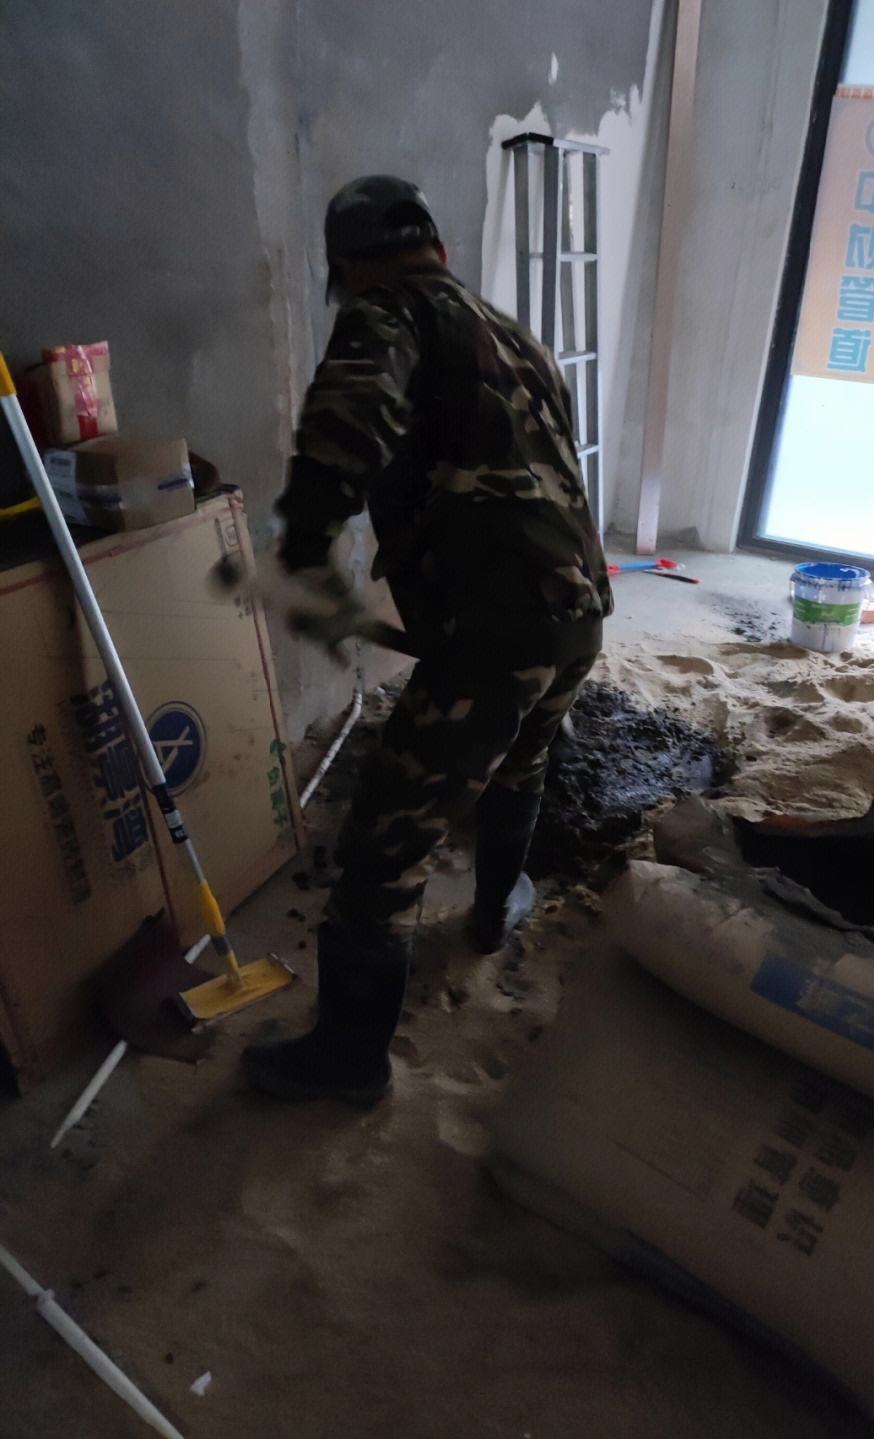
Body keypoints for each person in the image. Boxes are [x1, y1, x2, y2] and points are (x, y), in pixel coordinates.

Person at [244, 175, 612, 1105]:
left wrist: (304, 547)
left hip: (494, 630)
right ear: (438, 248)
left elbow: (351, 418)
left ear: (349, 267)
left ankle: (347, 1061)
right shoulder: (517, 336)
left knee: (384, 847)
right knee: (521, 764)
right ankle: (493, 910)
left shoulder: (386, 311)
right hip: (578, 612)